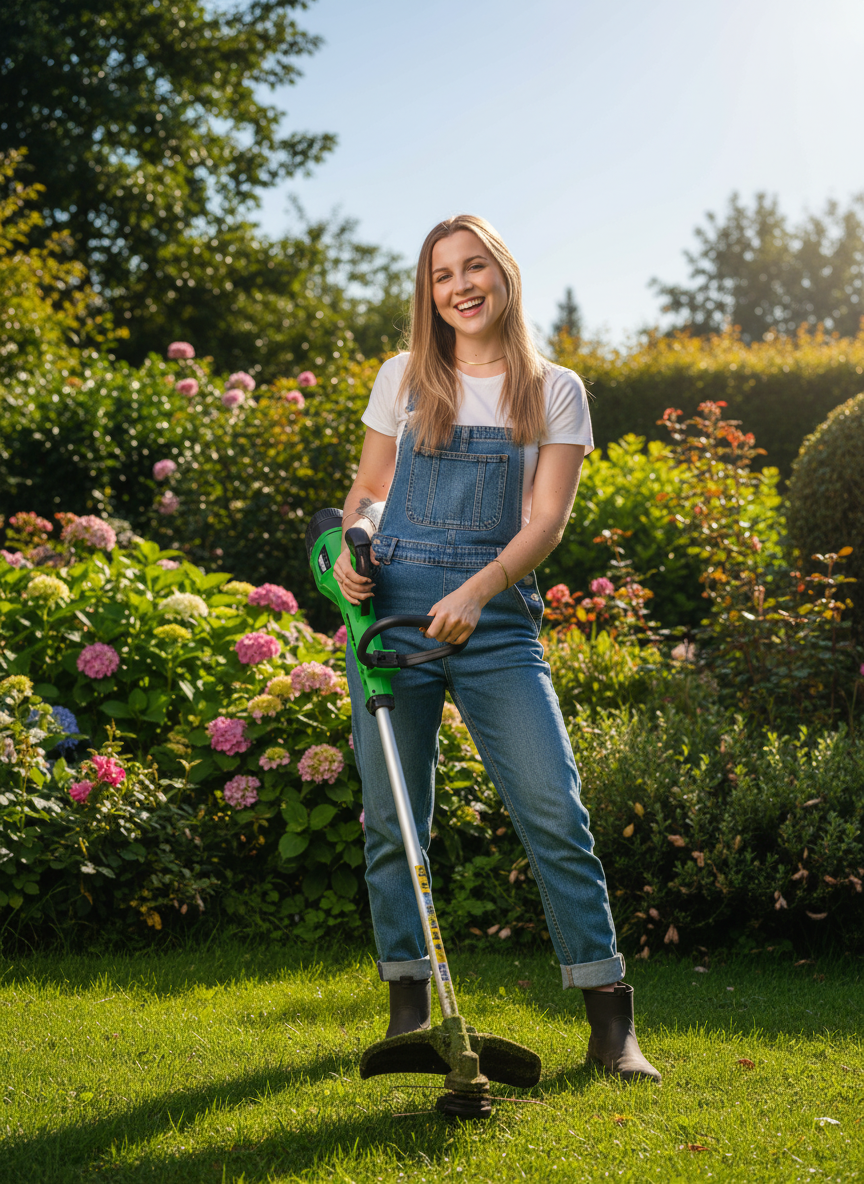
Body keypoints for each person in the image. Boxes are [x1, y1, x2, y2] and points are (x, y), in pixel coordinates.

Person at [334, 214, 660, 1084]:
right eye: (442, 275)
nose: (460, 286)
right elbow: (366, 492)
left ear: (504, 275)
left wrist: (477, 591)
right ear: (429, 293)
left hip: (495, 619)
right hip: (392, 615)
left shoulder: (553, 389)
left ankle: (608, 1021)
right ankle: (409, 1010)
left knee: (554, 807)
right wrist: (350, 545)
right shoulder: (404, 377)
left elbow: (544, 521)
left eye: (474, 267)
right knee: (395, 821)